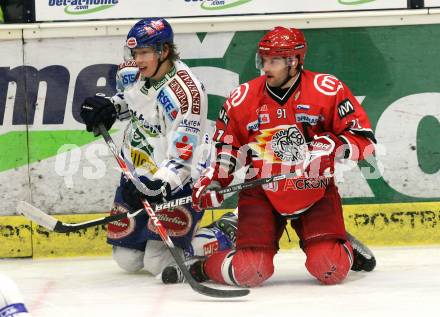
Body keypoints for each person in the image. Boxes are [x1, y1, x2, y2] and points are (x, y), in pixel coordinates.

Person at [188, 26, 377, 287]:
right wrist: (215, 180)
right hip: (262, 193)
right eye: (263, 60)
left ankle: (335, 240)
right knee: (251, 271)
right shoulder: (242, 98)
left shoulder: (327, 90)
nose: (266, 67)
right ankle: (205, 265)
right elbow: (228, 148)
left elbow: (365, 143)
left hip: (314, 190)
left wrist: (331, 146)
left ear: (295, 61)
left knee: (330, 268)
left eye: (273, 61)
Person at [79, 17, 232, 278]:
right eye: (135, 53)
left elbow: (184, 158)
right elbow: (132, 102)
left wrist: (162, 184)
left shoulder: (186, 94)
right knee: (127, 260)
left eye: (145, 53)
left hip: (180, 178)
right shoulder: (130, 72)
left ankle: (224, 231)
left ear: (164, 51)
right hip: (138, 171)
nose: (137, 59)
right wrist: (110, 108)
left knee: (158, 261)